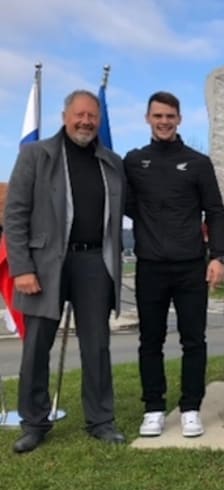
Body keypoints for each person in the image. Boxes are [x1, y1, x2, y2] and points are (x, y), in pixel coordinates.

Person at [5, 90, 126, 453]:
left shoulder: (111, 162)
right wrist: (21, 268)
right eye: (79, 115)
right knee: (36, 347)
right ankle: (34, 423)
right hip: (43, 266)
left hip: (94, 264)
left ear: (99, 120)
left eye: (92, 116)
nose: (86, 121)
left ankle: (101, 420)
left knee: (97, 347)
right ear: (65, 116)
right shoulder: (35, 155)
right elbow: (15, 216)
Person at [124, 91, 224, 438]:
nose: (164, 122)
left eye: (170, 116)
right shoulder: (134, 162)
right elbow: (126, 206)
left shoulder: (198, 163)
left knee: (193, 340)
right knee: (150, 341)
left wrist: (218, 256)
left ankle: (190, 408)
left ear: (179, 119)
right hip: (150, 266)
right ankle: (154, 407)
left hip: (190, 266)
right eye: (158, 116)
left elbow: (215, 211)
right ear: (148, 119)